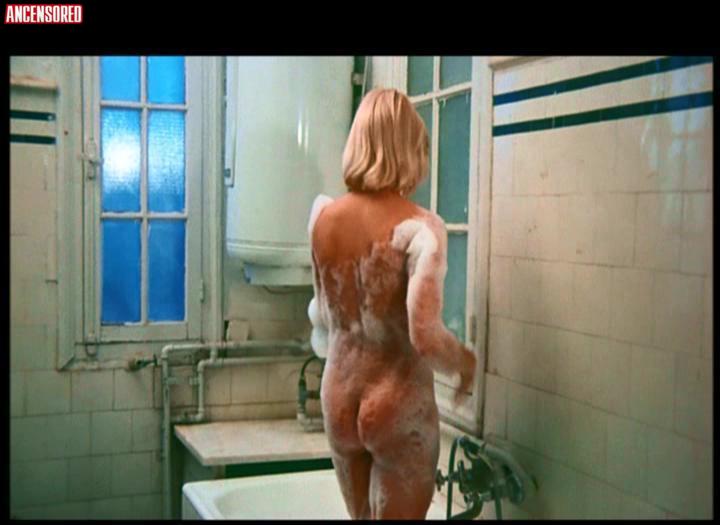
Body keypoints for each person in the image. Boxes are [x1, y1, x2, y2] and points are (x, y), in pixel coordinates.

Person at [307, 87, 476, 519]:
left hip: (337, 397)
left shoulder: (322, 219)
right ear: (406, 150)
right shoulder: (421, 227)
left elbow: (323, 314)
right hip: (395, 401)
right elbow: (424, 336)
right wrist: (464, 362)